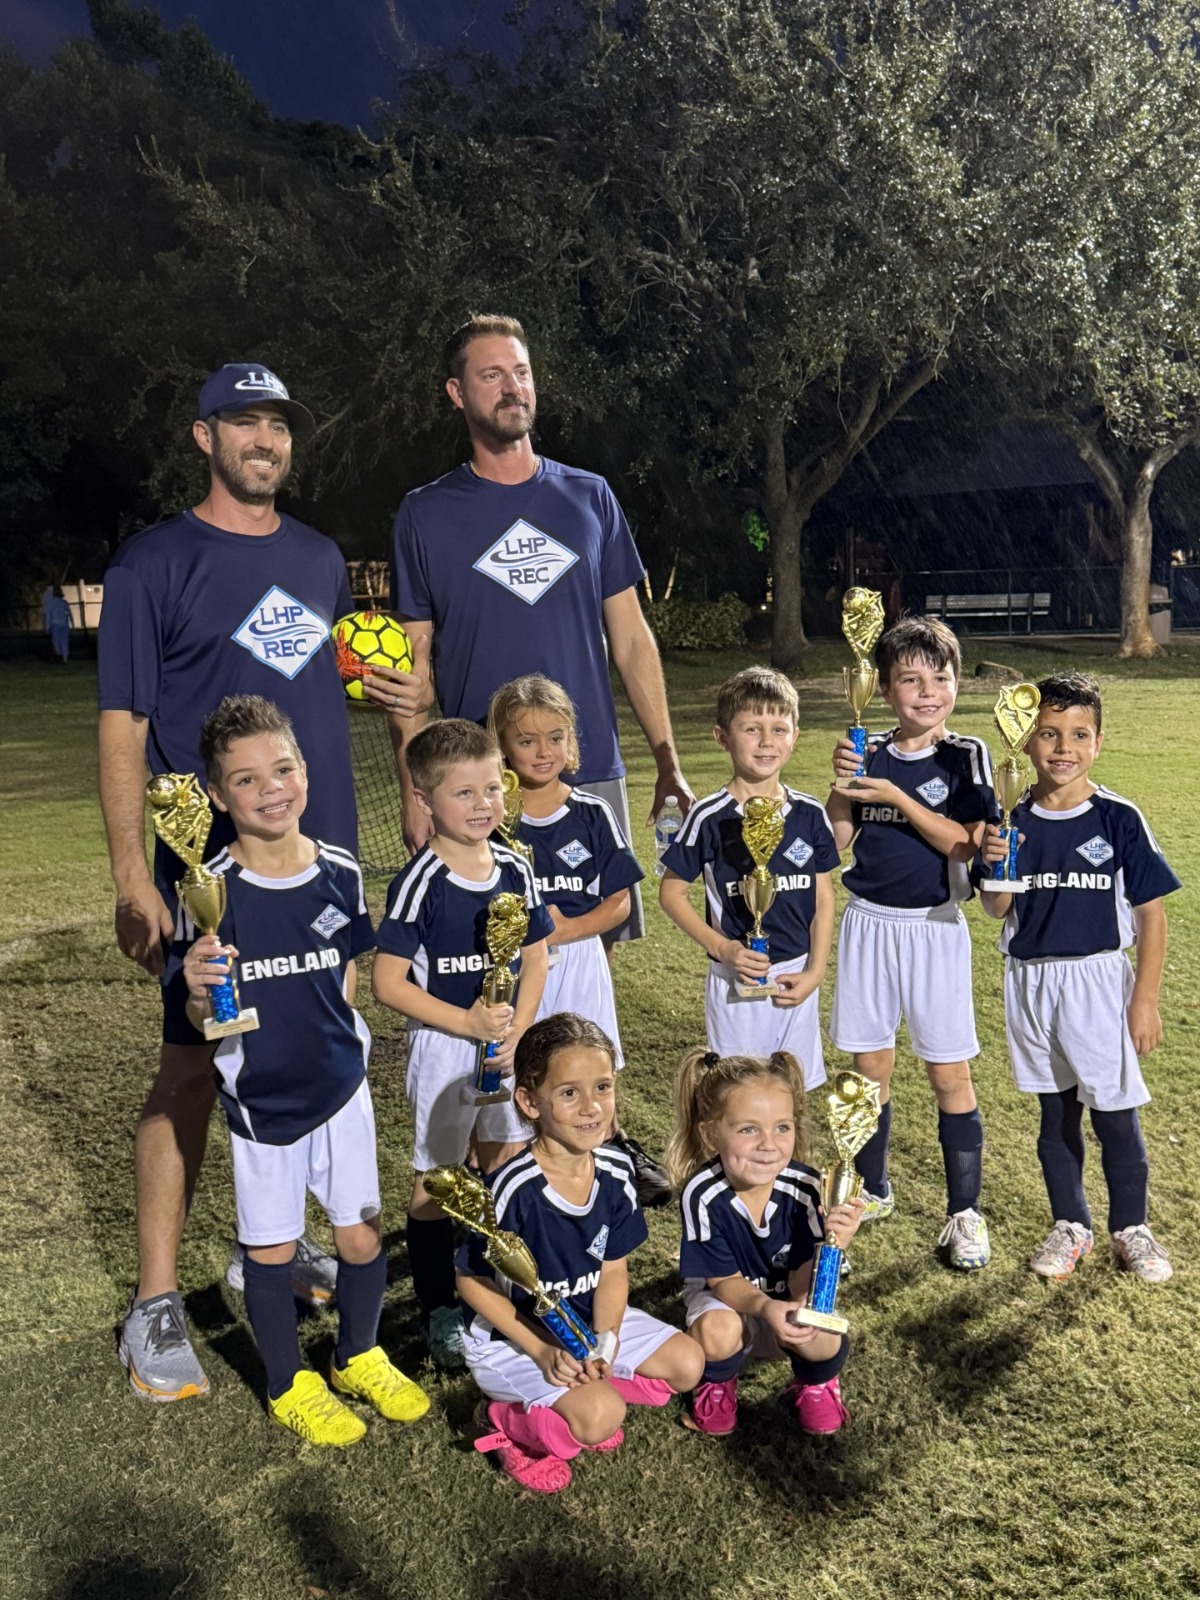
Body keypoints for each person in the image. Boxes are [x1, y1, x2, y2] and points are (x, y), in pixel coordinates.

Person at [98, 363, 358, 1400]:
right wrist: (132, 873)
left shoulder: (320, 557)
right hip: (209, 876)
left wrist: (391, 692)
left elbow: (325, 687)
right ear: (204, 436)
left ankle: (279, 1251)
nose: (266, 440)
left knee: (314, 1056)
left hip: (317, 866)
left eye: (279, 425)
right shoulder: (151, 565)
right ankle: (155, 1303)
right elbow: (122, 723)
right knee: (192, 1067)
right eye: (246, 422)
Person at [381, 314, 694, 942]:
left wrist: (667, 758)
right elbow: (410, 673)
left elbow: (631, 639)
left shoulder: (588, 496)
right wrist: (416, 790)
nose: (512, 387)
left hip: (587, 766)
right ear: (457, 392)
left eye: (520, 373)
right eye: (491, 374)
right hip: (478, 780)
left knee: (587, 960)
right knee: (484, 965)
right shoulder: (424, 514)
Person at [166, 695, 429, 1440]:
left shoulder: (339, 872)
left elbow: (342, 979)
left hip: (341, 1086)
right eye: (245, 780)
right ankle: (289, 1383)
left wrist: (339, 1045)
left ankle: (360, 1353)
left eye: (282, 768)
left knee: (362, 1235)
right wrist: (194, 991)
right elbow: (204, 1018)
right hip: (264, 1100)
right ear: (217, 795)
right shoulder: (212, 890)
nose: (270, 788)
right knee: (274, 1248)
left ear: (305, 771)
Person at [978, 672, 1180, 1283]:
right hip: (1030, 981)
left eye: (1078, 734)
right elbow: (997, 911)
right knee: (1055, 1114)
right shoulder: (1011, 816)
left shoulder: (1117, 818)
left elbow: (1151, 916)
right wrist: (997, 863)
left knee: (1115, 1114)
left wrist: (1143, 999)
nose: (1062, 747)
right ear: (1027, 741)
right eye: (1047, 733)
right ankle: (1071, 1224)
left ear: (1098, 741)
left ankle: (1132, 1228)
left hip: (1097, 982)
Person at [460, 1013, 704, 1494]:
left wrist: (605, 1343)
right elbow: (469, 1281)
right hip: (515, 1338)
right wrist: (543, 1350)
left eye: (603, 1087)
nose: (592, 1106)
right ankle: (502, 1422)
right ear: (530, 1102)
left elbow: (613, 1270)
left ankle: (582, 1394)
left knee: (689, 1363)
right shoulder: (511, 1189)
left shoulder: (615, 1168)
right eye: (569, 1093)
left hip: (587, 1318)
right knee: (600, 1417)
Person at [372, 718, 551, 1368]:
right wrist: (466, 1023)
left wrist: (520, 1028)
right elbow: (388, 983)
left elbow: (537, 957)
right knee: (438, 1183)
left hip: (505, 1049)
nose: (483, 806)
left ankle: (502, 1292)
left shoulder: (513, 866)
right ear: (425, 801)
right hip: (445, 1050)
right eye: (464, 794)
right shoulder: (420, 881)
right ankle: (439, 1306)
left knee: (505, 1170)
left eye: (490, 790)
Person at [823, 616, 999, 1271]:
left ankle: (965, 1214)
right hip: (867, 922)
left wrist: (896, 793)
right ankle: (873, 1189)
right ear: (884, 688)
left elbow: (965, 842)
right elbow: (837, 839)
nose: (928, 692)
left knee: (949, 1073)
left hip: (934, 930)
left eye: (941, 678)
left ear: (956, 683)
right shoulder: (865, 747)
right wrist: (840, 788)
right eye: (910, 680)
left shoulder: (965, 755)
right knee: (871, 1073)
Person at [486, 673, 669, 1205]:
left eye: (555, 737)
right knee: (519, 1061)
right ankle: (513, 1164)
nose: (543, 751)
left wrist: (566, 928)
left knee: (590, 1060)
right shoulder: (493, 818)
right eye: (526, 740)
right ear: (501, 746)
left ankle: (611, 1154)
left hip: (579, 960)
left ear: (571, 743)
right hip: (519, 971)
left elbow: (619, 902)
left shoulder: (591, 812)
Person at [665, 1048, 864, 1437]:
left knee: (825, 1334)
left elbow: (800, 1277)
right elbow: (722, 1282)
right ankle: (718, 1383)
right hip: (731, 1304)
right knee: (717, 1330)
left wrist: (834, 1245)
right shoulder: (701, 1194)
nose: (768, 1144)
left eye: (782, 1128)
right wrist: (766, 1307)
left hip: (783, 1301)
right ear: (710, 1134)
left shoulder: (807, 1187)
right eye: (748, 1129)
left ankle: (816, 1385)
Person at [658, 667, 838, 1088]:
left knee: (793, 1093)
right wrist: (723, 949)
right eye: (751, 729)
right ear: (722, 737)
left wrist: (816, 971)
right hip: (736, 980)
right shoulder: (708, 817)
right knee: (735, 1094)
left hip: (795, 978)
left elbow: (824, 899)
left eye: (779, 728)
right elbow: (671, 894)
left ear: (795, 735)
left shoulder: (810, 814)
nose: (766, 741)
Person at [45, 585, 72, 663]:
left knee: (56, 640)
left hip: (54, 623)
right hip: (63, 623)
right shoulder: (63, 602)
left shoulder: (51, 603)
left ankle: (59, 655)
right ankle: (65, 657)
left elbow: (48, 615)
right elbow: (69, 613)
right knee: (64, 640)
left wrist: (47, 626)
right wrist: (72, 623)